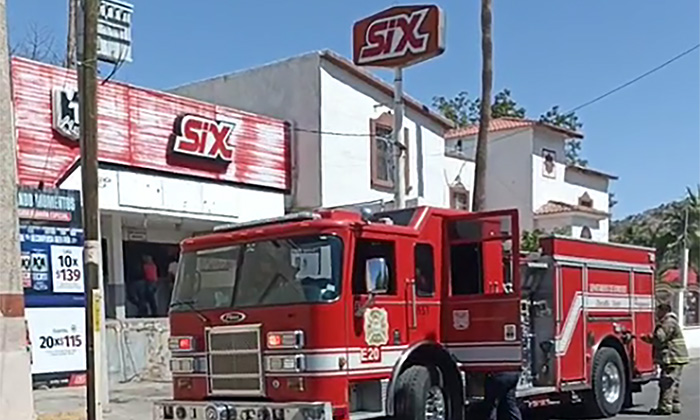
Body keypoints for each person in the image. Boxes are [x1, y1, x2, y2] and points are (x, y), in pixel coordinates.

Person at [641, 303, 689, 415]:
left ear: (663, 311)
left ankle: (664, 407)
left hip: (672, 357)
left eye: (657, 312)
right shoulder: (671, 321)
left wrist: (647, 338)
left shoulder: (668, 322)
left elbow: (660, 338)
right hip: (676, 356)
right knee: (673, 382)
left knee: (666, 382)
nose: (656, 314)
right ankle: (674, 405)